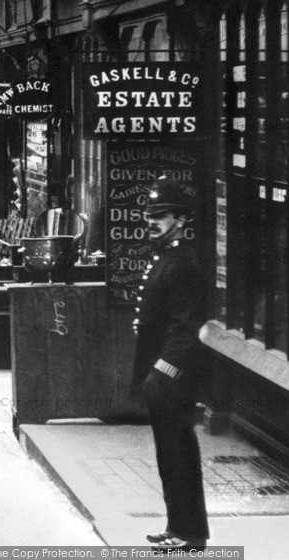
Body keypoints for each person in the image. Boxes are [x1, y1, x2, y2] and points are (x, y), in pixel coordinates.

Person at [131, 176, 210, 551]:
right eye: (149, 214)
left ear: (180, 219)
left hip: (173, 380)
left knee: (179, 455)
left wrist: (161, 373)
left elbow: (186, 327)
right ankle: (177, 525)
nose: (152, 221)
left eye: (160, 215)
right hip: (162, 381)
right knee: (169, 455)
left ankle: (190, 534)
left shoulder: (184, 262)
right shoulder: (167, 255)